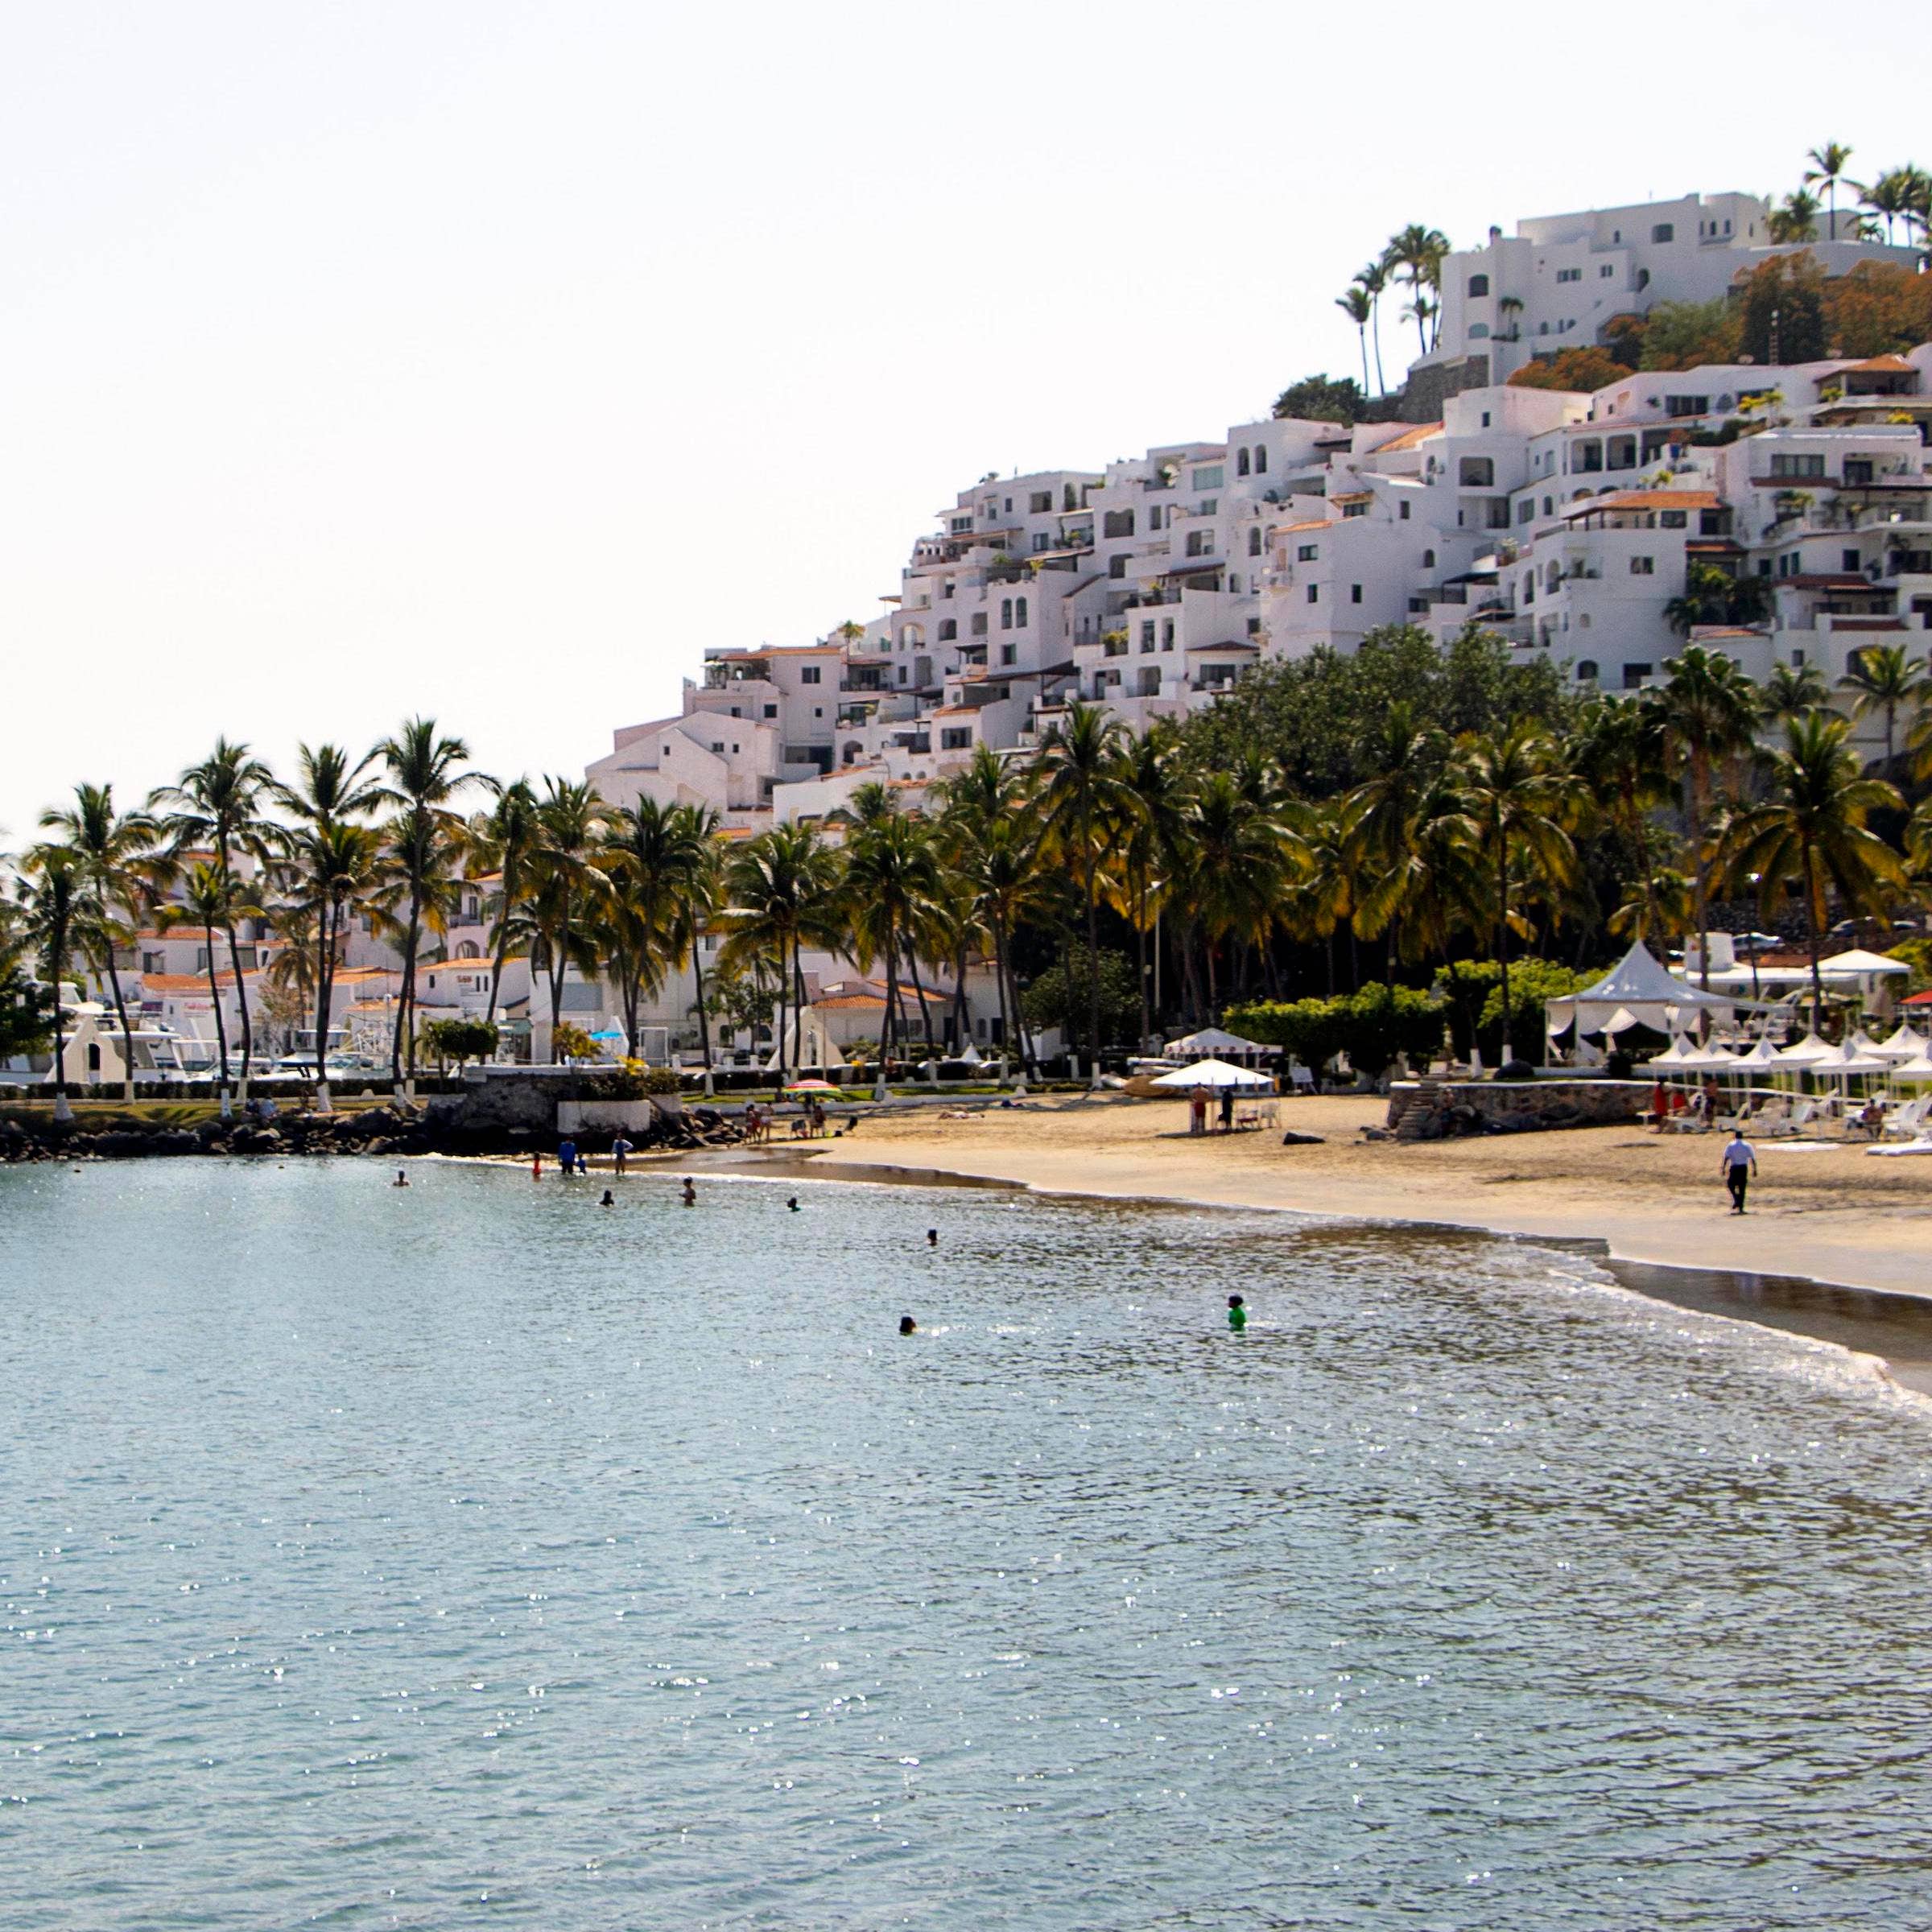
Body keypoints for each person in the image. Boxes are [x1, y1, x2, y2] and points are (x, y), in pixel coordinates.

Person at [1721, 1129, 1757, 1214]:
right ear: (1742, 1136)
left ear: (1735, 1136)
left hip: (1734, 1167)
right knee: (1742, 1188)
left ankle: (1736, 1199)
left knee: (1731, 1185)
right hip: (1743, 1168)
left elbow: (1726, 1157)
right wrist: (1755, 1169)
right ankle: (1740, 1207)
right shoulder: (1747, 1145)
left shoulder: (1731, 1145)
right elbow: (1752, 1158)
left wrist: (1723, 1168)